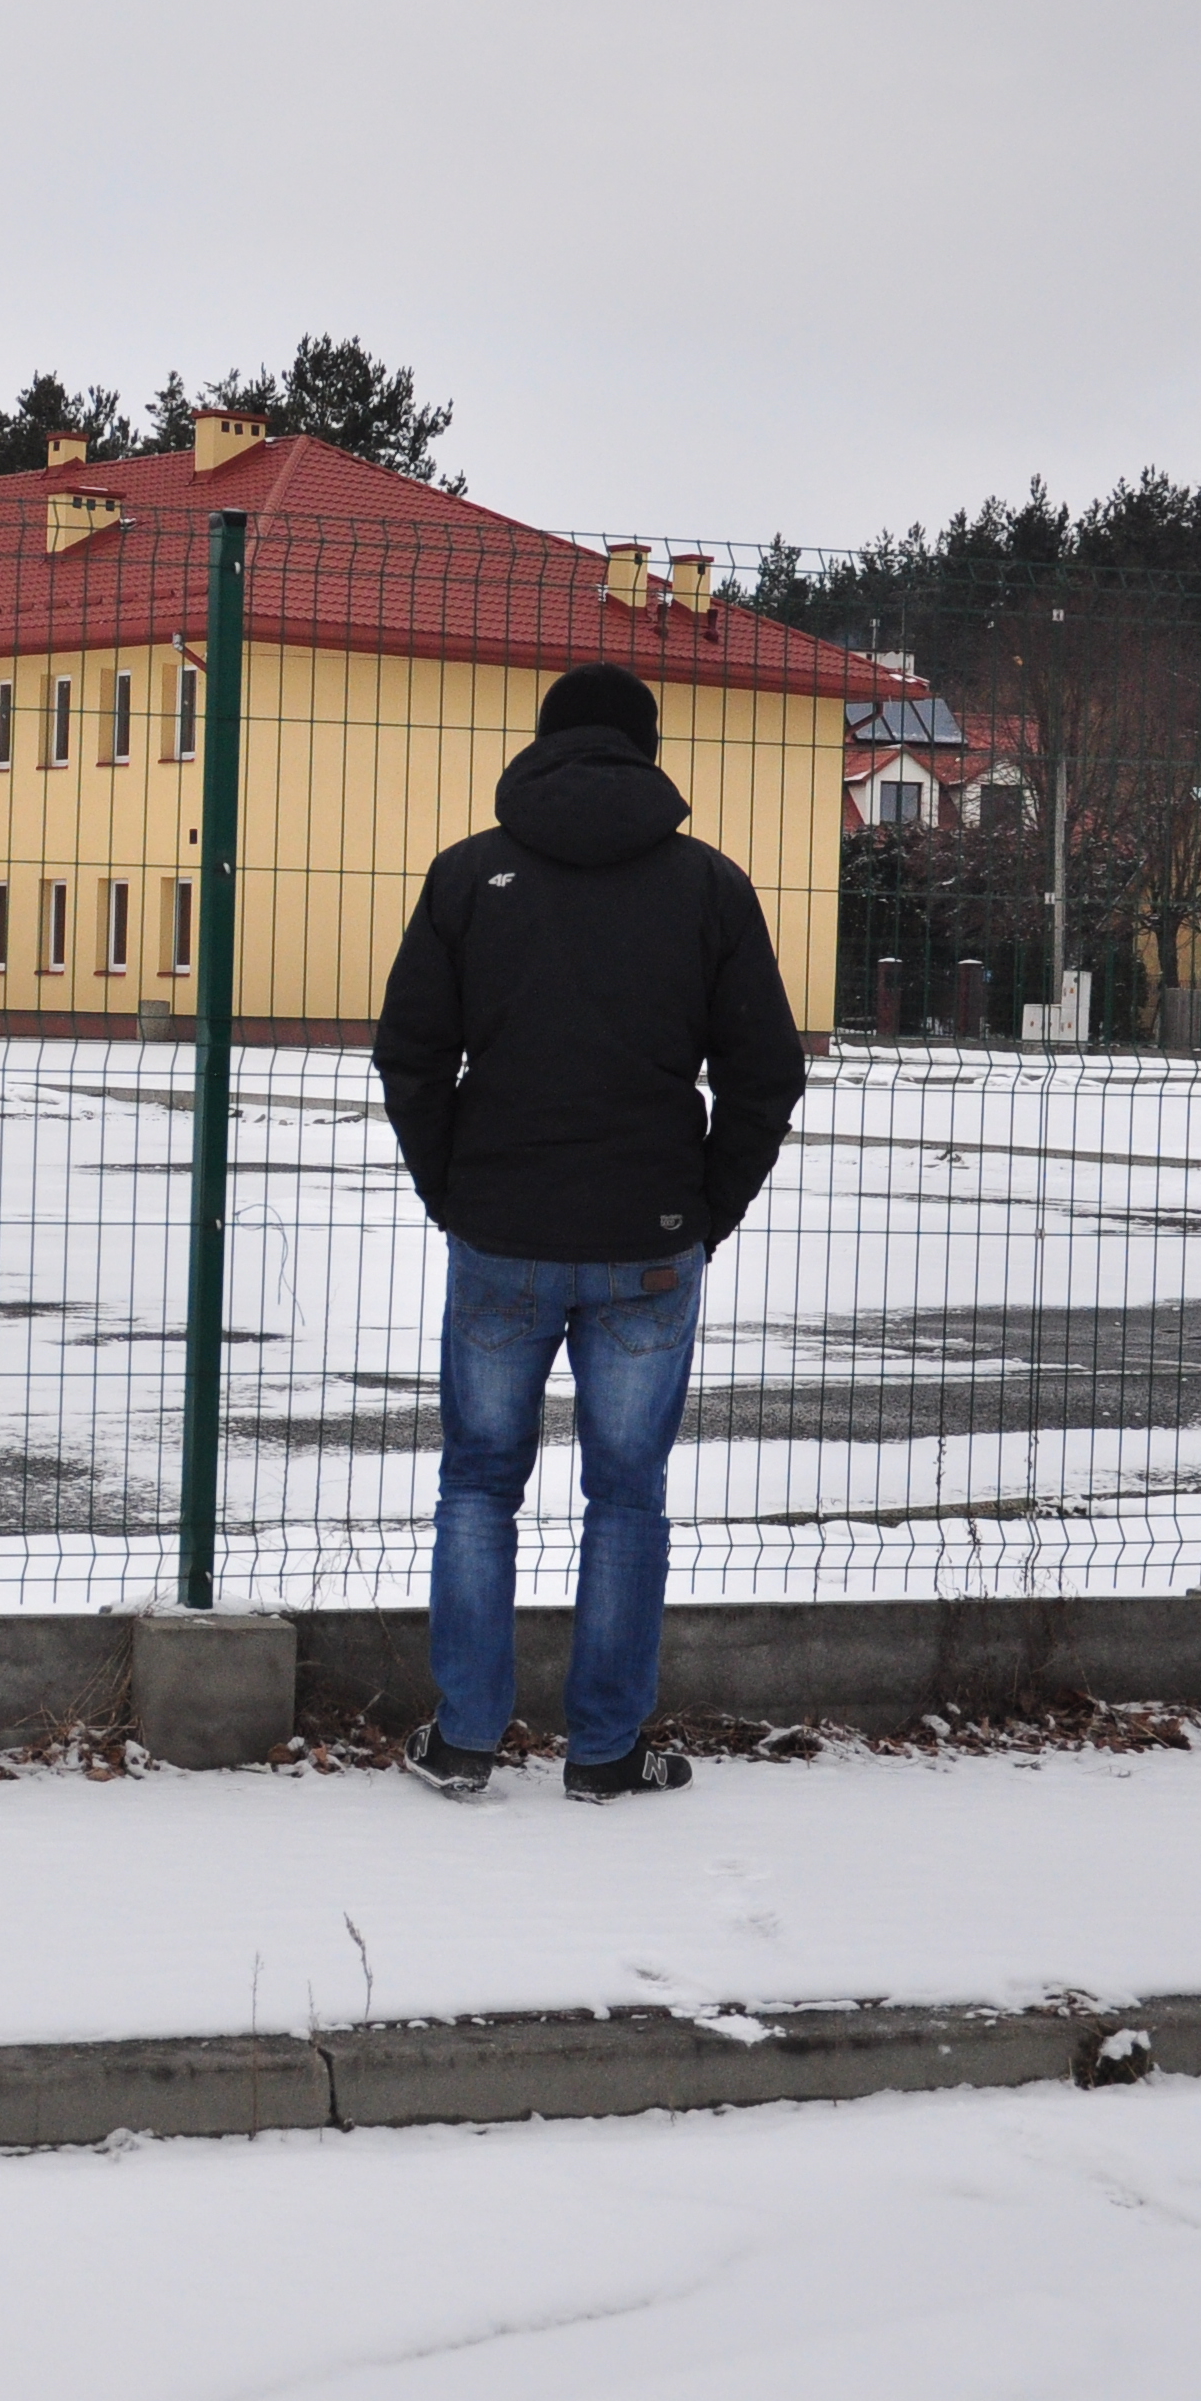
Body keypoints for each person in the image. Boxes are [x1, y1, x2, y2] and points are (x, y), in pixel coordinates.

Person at [371, 662, 807, 1801]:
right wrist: (704, 1209)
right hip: (649, 1239)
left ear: (544, 744)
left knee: (476, 1484)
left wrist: (451, 1189)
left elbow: (411, 1054)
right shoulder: (708, 886)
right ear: (645, 749)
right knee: (626, 1494)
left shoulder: (471, 875)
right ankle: (605, 1754)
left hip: (501, 1230)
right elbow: (765, 1074)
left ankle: (465, 1739)